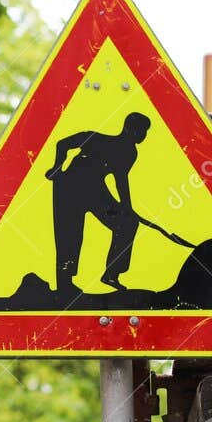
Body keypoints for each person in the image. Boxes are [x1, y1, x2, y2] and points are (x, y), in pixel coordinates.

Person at [44, 111, 150, 292]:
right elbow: (63, 144)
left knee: (128, 223)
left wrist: (127, 208)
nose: (143, 135)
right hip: (68, 187)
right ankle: (65, 285)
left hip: (95, 191)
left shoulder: (130, 152)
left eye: (145, 131)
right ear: (128, 129)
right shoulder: (96, 138)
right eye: (140, 130)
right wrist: (57, 168)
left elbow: (121, 179)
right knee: (69, 236)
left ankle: (111, 274)